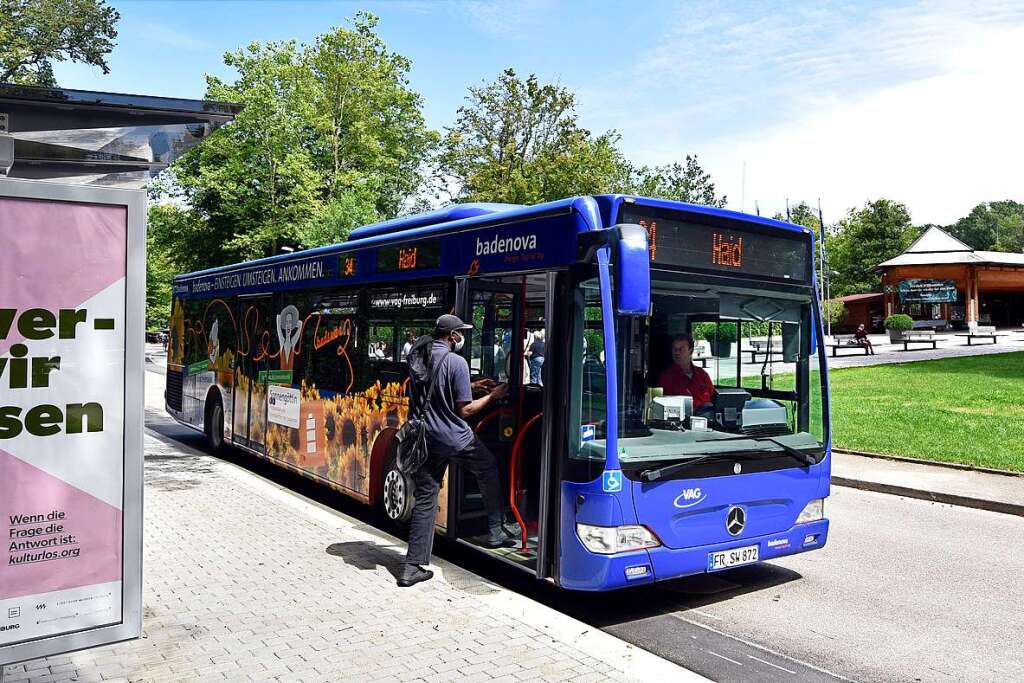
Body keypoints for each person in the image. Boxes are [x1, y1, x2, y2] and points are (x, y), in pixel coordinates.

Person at [398, 314, 514, 587]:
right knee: (487, 467)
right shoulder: (456, 361)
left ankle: (411, 567)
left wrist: (472, 386)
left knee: (426, 499)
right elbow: (466, 409)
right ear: (452, 337)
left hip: (424, 439)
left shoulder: (419, 356)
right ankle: (496, 530)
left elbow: (433, 389)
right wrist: (493, 395)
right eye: (460, 333)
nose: (461, 337)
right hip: (454, 437)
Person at [656, 333, 715, 411]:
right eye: (675, 349)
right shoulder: (666, 377)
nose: (677, 352)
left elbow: (714, 397)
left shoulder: (702, 374)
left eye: (681, 349)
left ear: (691, 350)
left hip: (706, 418)